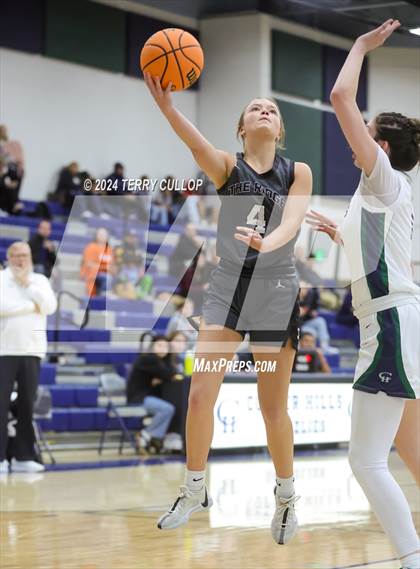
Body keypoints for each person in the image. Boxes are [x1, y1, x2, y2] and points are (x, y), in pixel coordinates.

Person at [144, 71, 312, 542]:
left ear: (279, 130)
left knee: (272, 407)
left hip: (275, 289)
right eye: (255, 107)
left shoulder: (297, 172)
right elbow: (196, 145)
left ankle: (286, 497)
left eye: (272, 109)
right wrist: (169, 109)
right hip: (227, 289)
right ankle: (194, 487)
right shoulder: (226, 168)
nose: (265, 111)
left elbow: (293, 222)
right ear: (242, 128)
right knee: (200, 395)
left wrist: (267, 243)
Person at [307, 20, 419, 569]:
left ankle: (410, 558)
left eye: (366, 131)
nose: (356, 138)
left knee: (366, 460)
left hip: (390, 322)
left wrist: (359, 46)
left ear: (380, 145)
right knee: (402, 452)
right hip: (393, 319)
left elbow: (339, 96)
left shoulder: (384, 177)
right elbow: (375, 253)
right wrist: (340, 234)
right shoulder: (378, 192)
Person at [0, 242, 57, 473]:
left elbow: (49, 306)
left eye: (24, 255)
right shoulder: (2, 279)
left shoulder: (39, 280)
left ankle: (23, 456)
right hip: (4, 351)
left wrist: (28, 286)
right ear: (8, 257)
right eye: (15, 255)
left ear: (30, 257)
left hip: (32, 351)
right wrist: (31, 306)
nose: (20, 259)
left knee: (26, 405)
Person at [126, 335, 177, 452]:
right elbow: (169, 373)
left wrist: (162, 377)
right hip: (138, 398)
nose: (163, 349)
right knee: (168, 409)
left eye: (166, 346)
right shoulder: (148, 359)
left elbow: (167, 373)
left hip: (148, 397)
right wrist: (164, 376)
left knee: (170, 407)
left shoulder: (161, 362)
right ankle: (146, 434)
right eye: (159, 345)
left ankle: (152, 439)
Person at [80, 228, 114, 296]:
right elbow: (89, 264)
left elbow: (112, 265)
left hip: (107, 273)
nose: (102, 236)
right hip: (92, 273)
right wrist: (105, 267)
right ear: (96, 236)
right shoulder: (91, 247)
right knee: (107, 278)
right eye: (100, 234)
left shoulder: (110, 249)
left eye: (104, 235)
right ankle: (102, 297)